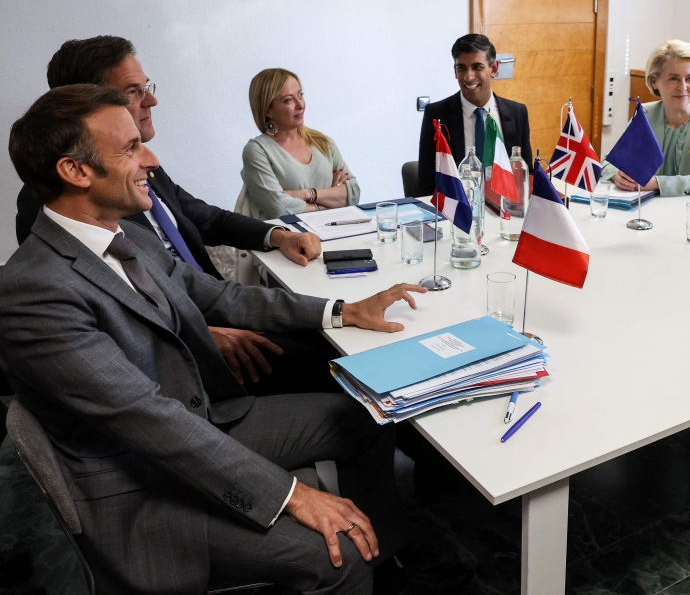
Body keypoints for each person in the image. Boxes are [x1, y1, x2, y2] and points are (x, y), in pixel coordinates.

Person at [2, 83, 425, 593]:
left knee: (365, 417)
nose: (151, 159)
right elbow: (148, 420)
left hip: (195, 424)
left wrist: (342, 311)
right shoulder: (34, 291)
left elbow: (218, 295)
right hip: (144, 489)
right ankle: (361, 563)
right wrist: (292, 495)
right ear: (75, 171)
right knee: (339, 557)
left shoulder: (126, 234)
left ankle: (387, 559)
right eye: (131, 148)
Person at [13, 37, 335, 391]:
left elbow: (207, 220)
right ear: (90, 103)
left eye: (146, 87)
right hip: (190, 346)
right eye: (133, 91)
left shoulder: (142, 170)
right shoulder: (51, 209)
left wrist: (277, 236)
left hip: (215, 303)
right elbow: (110, 321)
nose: (151, 100)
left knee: (330, 332)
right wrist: (201, 334)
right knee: (332, 366)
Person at [602, 40, 690, 199]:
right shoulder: (645, 114)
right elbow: (610, 162)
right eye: (673, 78)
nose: (683, 87)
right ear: (654, 81)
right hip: (656, 207)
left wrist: (656, 183)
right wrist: (617, 175)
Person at [416, 33, 531, 196]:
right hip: (457, 208)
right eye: (461, 68)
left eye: (477, 67)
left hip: (505, 206)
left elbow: (526, 177)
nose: (468, 77)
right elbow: (427, 184)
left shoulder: (517, 113)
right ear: (455, 71)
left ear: (494, 69)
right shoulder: (436, 114)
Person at [242, 68, 360, 219]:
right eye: (288, 100)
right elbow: (280, 209)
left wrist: (306, 194)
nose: (300, 105)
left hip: (333, 230)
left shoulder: (322, 142)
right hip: (288, 234)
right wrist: (330, 199)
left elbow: (353, 193)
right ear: (268, 110)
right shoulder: (257, 150)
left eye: (300, 95)